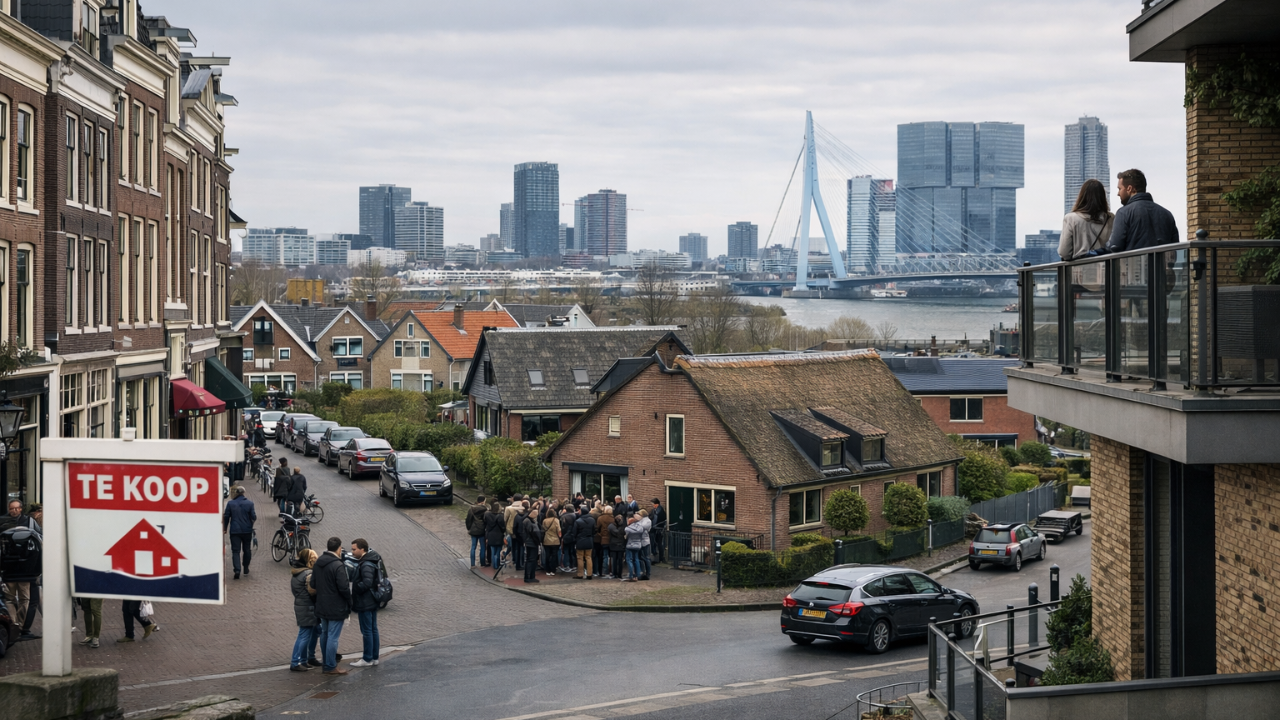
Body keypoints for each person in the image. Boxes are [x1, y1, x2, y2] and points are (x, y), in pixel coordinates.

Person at [1103, 168, 1179, 254]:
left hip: (1134, 266)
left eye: (1120, 189)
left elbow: (1115, 246)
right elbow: (1175, 250)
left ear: (1129, 188)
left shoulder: (1123, 213)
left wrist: (1103, 248)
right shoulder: (1167, 214)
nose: (1118, 193)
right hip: (1161, 267)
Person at [310, 536, 352, 675]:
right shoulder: (338, 565)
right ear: (339, 548)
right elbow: (344, 588)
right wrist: (349, 602)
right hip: (336, 607)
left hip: (322, 605)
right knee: (333, 637)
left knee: (325, 635)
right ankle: (330, 666)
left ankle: (326, 664)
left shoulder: (318, 563)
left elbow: (313, 584)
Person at [0, 499, 40, 625]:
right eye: (12, 508)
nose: (14, 510)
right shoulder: (3, 522)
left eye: (16, 508)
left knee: (25, 598)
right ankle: (14, 623)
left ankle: (19, 624)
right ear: (8, 508)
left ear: (21, 508)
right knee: (10, 598)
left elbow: (39, 537)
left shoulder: (29, 522)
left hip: (25, 567)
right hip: (9, 566)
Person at [1058, 179, 1114, 261]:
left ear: (1082, 196)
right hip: (1105, 268)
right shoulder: (1111, 218)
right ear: (1103, 197)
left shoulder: (1071, 218)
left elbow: (1064, 252)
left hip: (1079, 270)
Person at [349, 538, 382, 667]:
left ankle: (367, 658)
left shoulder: (366, 564)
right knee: (373, 629)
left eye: (354, 549)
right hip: (371, 601)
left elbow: (367, 582)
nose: (352, 552)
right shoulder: (370, 561)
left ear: (362, 549)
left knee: (367, 630)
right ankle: (374, 657)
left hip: (365, 602)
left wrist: (356, 587)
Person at [290, 549, 320, 672]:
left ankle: (305, 659)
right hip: (308, 606)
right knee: (304, 634)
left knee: (312, 632)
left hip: (301, 605)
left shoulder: (296, 573)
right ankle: (295, 662)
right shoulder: (308, 574)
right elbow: (312, 591)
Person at [222, 486, 257, 580]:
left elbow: (226, 517)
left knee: (235, 551)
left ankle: (237, 570)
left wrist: (224, 528)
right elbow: (253, 516)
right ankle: (246, 568)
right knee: (247, 549)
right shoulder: (250, 503)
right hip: (247, 530)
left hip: (235, 531)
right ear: (244, 493)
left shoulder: (230, 503)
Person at [465, 495, 488, 567]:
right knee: (483, 546)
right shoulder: (485, 509)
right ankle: (482, 563)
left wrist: (469, 528)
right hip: (482, 530)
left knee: (473, 547)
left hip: (473, 529)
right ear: (483, 501)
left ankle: (472, 564)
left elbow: (468, 519)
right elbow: (486, 520)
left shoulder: (472, 509)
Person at [573, 506, 595, 579]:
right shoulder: (592, 520)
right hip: (589, 540)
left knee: (580, 558)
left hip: (580, 541)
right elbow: (594, 531)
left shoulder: (578, 521)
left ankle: (580, 574)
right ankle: (589, 574)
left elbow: (574, 532)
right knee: (588, 557)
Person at [503, 494, 525, 570]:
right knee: (520, 546)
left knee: (513, 545)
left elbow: (505, 519)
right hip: (521, 529)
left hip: (511, 528)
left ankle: (515, 559)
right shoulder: (523, 507)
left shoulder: (509, 508)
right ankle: (520, 562)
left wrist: (506, 527)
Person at [520, 512, 543, 583]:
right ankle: (529, 576)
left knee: (531, 559)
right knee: (531, 560)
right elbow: (533, 532)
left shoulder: (528, 520)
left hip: (530, 542)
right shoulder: (528, 521)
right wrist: (538, 540)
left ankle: (530, 576)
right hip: (531, 543)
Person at [483, 502, 505, 568]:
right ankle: (497, 564)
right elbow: (502, 527)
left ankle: (493, 564)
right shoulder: (501, 516)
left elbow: (485, 524)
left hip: (490, 534)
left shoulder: (487, 515)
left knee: (492, 550)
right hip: (499, 534)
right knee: (498, 550)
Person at [594, 505, 614, 578]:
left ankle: (605, 572)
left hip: (603, 539)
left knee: (605, 556)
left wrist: (600, 534)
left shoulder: (600, 518)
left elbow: (597, 528)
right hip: (611, 539)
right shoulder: (613, 519)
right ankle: (611, 571)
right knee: (611, 556)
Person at [624, 516, 645, 581]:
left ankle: (631, 575)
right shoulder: (640, 528)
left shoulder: (627, 528)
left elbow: (626, 537)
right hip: (638, 544)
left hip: (630, 545)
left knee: (629, 560)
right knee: (636, 559)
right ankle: (637, 575)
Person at [541, 507, 560, 576]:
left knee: (547, 555)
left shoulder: (545, 521)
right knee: (554, 555)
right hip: (555, 540)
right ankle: (553, 570)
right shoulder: (556, 520)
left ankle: (547, 569)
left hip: (546, 539)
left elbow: (543, 529)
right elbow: (559, 530)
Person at [608, 514, 627, 583]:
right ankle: (619, 574)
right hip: (620, 544)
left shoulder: (611, 526)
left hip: (613, 544)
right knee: (619, 560)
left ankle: (615, 573)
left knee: (615, 560)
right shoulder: (623, 527)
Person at [649, 499, 667, 564]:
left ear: (657, 504)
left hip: (658, 530)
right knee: (656, 543)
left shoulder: (659, 511)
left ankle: (660, 558)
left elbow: (656, 520)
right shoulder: (655, 510)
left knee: (659, 544)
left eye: (653, 504)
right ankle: (657, 558)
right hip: (655, 529)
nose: (653, 505)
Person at [637, 509, 652, 581]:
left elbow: (641, 528)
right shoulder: (640, 520)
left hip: (645, 541)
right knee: (640, 558)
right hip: (639, 541)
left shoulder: (648, 521)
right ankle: (642, 572)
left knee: (646, 558)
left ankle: (648, 573)